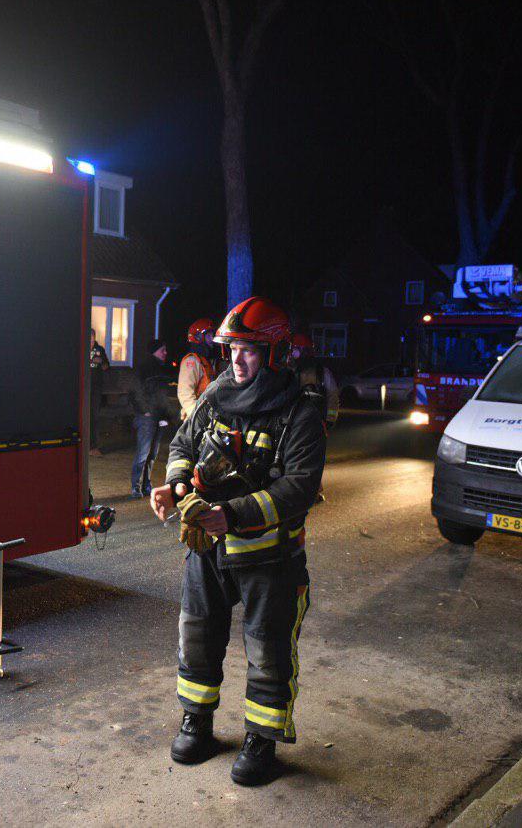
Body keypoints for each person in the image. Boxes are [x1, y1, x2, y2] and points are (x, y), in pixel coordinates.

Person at [151, 296, 326, 786]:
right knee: (197, 637)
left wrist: (231, 514)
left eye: (248, 350)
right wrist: (174, 485)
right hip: (207, 552)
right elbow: (183, 445)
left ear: (275, 354)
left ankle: (261, 741)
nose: (236, 359)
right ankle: (197, 723)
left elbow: (298, 487)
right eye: (231, 349)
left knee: (268, 649)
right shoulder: (215, 396)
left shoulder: (299, 413)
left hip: (270, 557)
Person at [129, 338, 174, 498]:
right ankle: (136, 486)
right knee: (143, 453)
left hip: (158, 416)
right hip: (147, 417)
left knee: (152, 454)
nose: (165, 353)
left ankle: (146, 485)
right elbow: (135, 391)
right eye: (163, 350)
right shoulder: (144, 368)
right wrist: (144, 411)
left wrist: (165, 415)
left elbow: (163, 395)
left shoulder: (162, 369)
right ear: (155, 351)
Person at [286, 332, 340, 429]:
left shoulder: (322, 372)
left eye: (295, 350)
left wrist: (329, 419)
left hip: (314, 425)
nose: (293, 353)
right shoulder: (287, 372)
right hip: (290, 424)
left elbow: (333, 396)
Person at [177, 318, 217, 420]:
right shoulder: (192, 361)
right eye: (208, 335)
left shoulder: (208, 361)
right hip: (196, 418)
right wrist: (196, 416)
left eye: (212, 335)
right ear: (198, 337)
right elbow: (185, 393)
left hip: (208, 415)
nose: (212, 339)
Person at [88, 328, 109, 457]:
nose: (91, 343)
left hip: (96, 388)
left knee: (94, 416)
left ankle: (93, 446)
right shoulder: (81, 347)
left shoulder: (100, 350)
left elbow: (106, 366)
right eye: (89, 340)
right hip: (83, 388)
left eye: (92, 340)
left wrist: (101, 361)